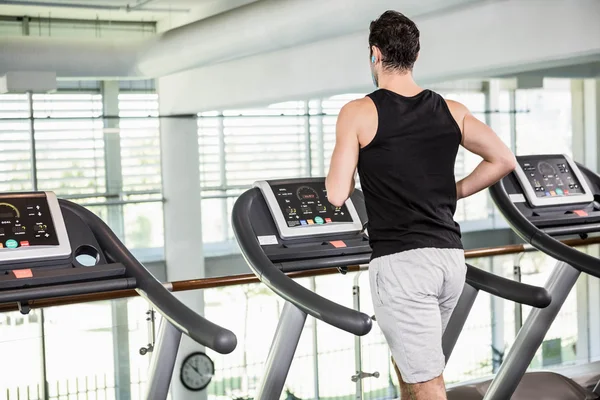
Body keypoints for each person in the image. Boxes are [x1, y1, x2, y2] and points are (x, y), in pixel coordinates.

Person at [325, 10, 516, 400]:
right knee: (411, 365)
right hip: (449, 260)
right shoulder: (451, 110)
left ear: (375, 54)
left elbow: (336, 193)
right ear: (414, 56)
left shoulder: (358, 112)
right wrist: (454, 190)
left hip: (402, 265)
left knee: (427, 382)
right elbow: (503, 160)